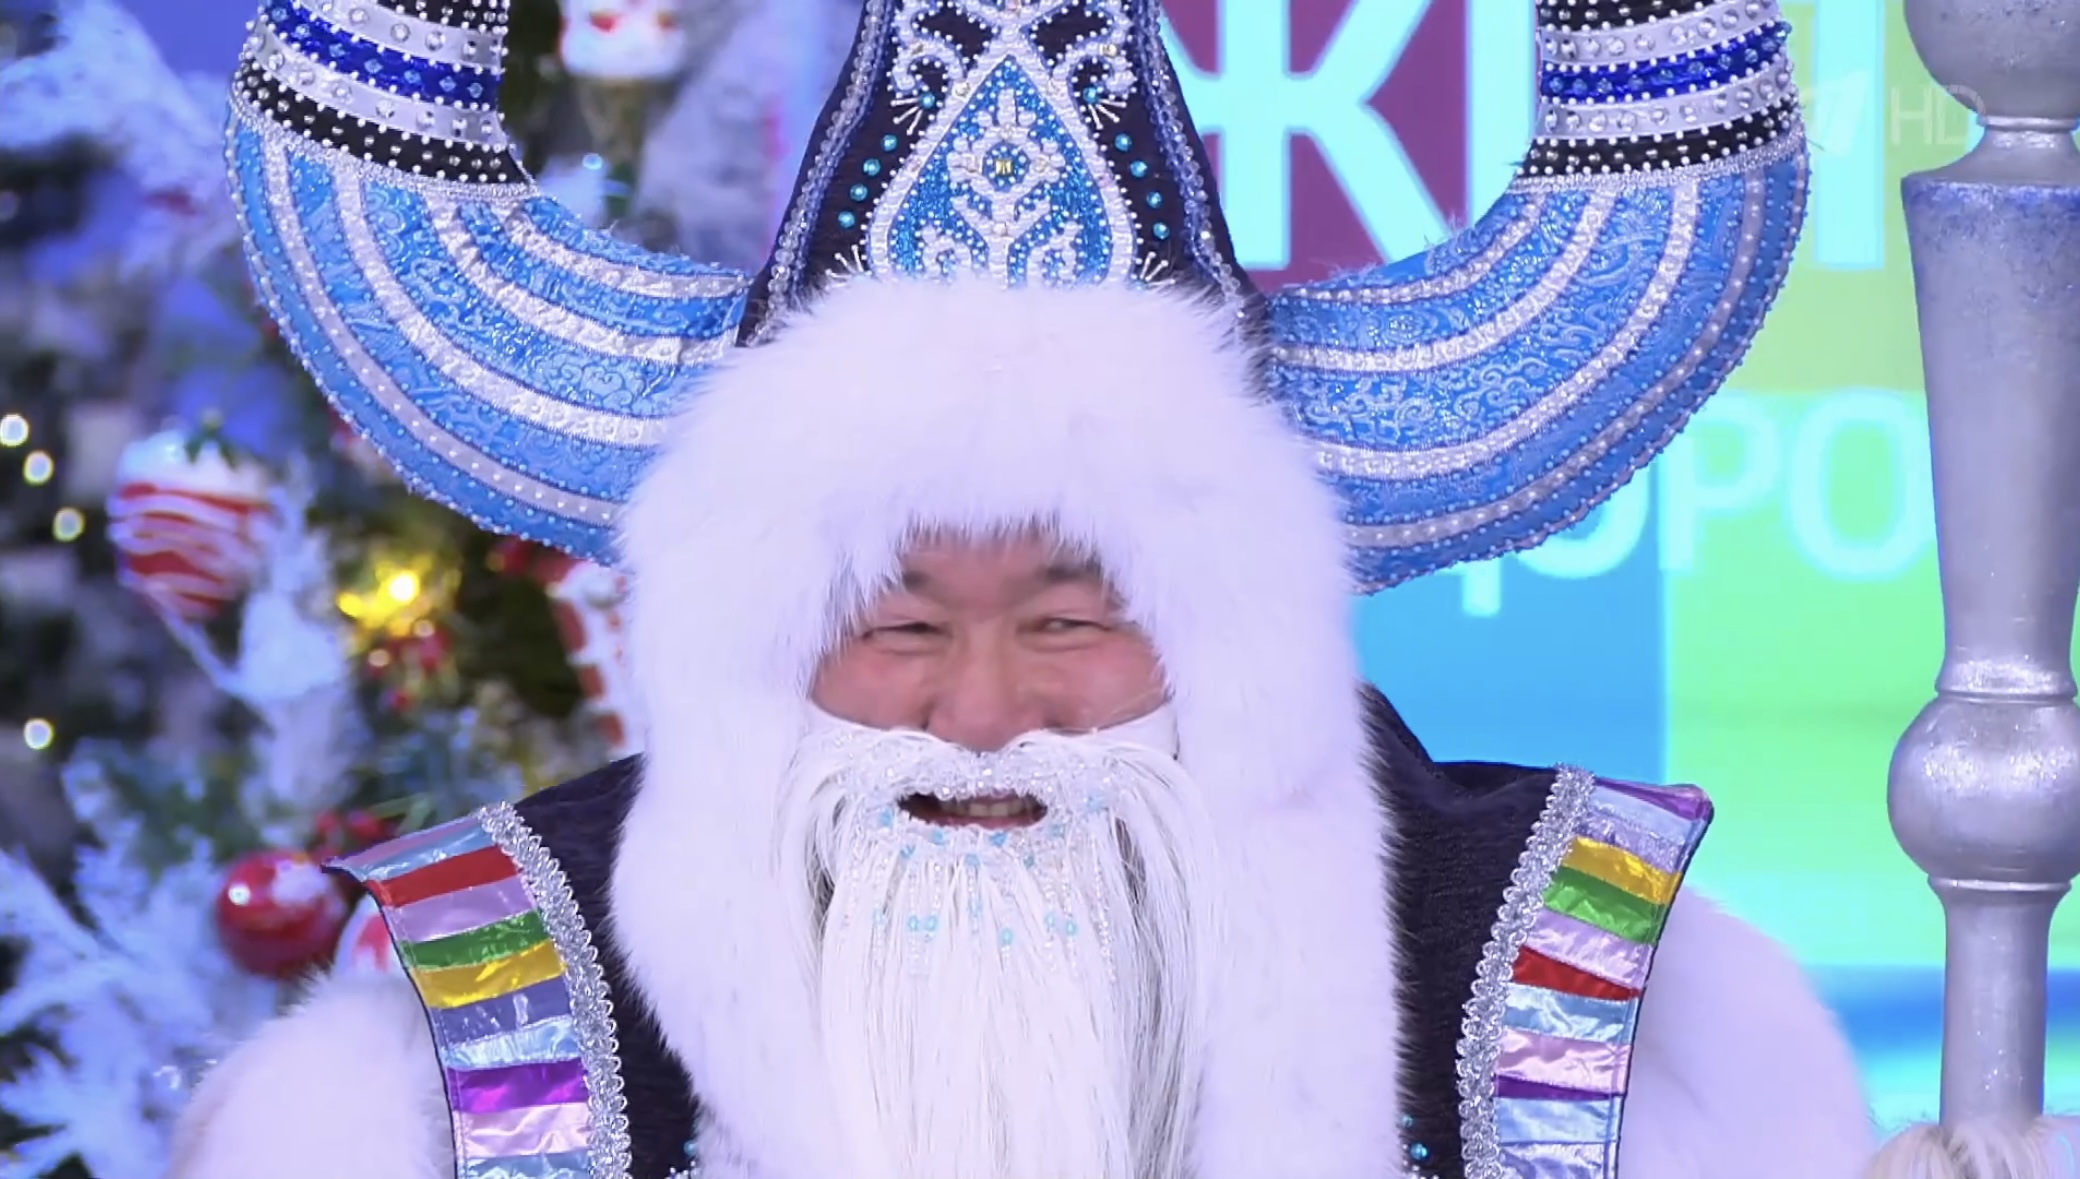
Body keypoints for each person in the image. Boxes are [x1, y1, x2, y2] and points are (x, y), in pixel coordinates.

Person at [173, 0, 1888, 1176]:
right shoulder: (480, 1048)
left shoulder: (1552, 999)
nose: (985, 721)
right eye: (898, 624)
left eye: (1074, 620)